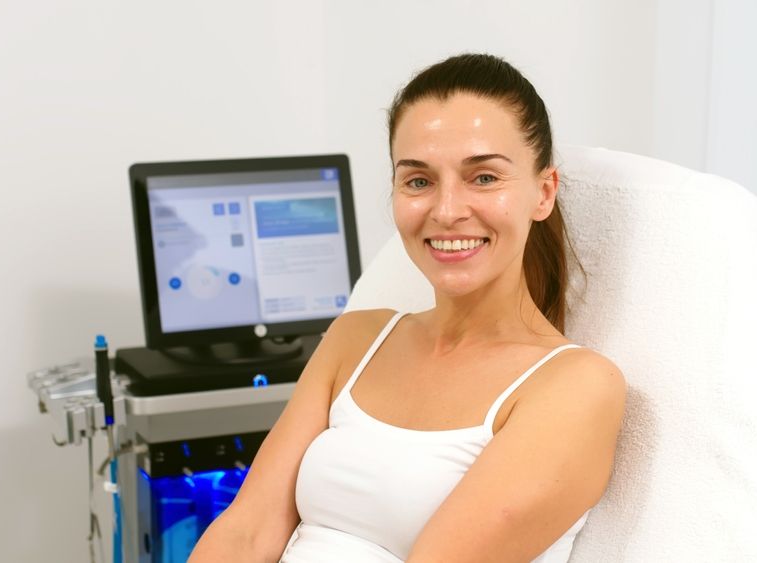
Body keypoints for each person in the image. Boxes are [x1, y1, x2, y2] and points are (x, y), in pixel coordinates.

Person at [190, 53, 626, 563]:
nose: (446, 211)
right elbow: (247, 530)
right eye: (418, 180)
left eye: (483, 177)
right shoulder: (356, 338)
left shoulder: (575, 385)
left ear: (543, 192)